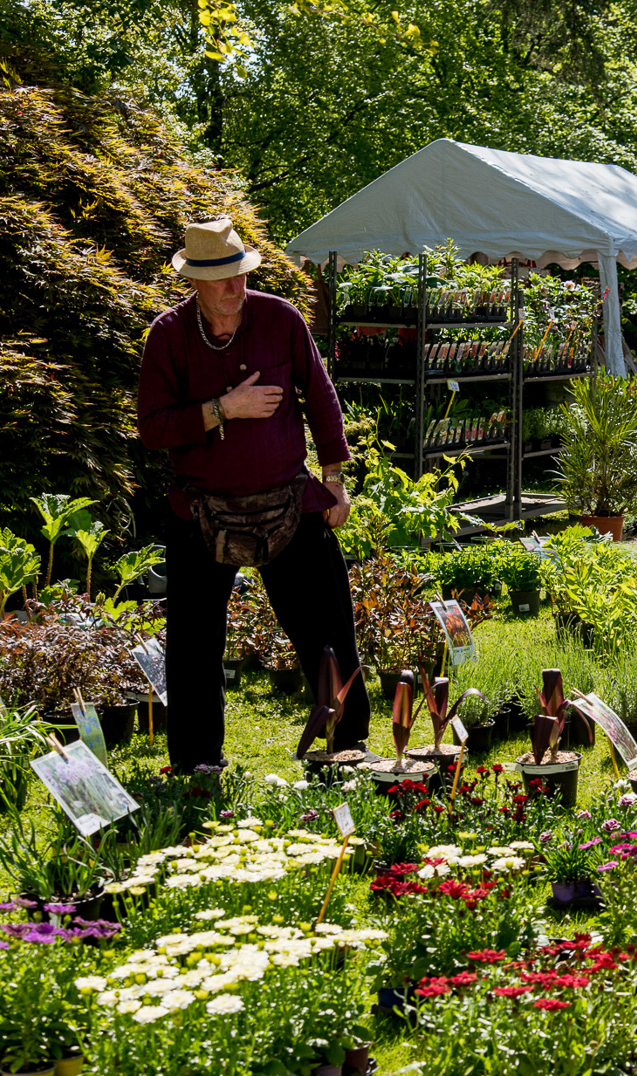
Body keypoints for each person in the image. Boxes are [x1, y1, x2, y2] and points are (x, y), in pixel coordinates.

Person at [137, 217, 369, 770]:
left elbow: (320, 395)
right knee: (193, 646)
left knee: (328, 629)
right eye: (220, 279)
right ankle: (197, 764)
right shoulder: (167, 336)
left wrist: (334, 479)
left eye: (239, 274)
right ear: (193, 281)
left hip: (288, 502)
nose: (234, 287)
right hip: (201, 513)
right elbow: (152, 428)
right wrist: (223, 408)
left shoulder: (280, 318)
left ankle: (348, 745)